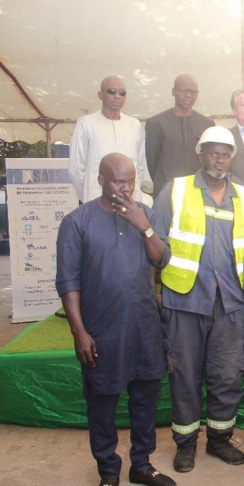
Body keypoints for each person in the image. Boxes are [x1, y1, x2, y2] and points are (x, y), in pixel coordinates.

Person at [56, 153, 174, 486]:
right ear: (101, 180)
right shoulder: (77, 221)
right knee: (102, 404)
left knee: (144, 399)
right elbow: (68, 282)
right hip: (101, 329)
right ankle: (108, 471)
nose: (125, 188)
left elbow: (162, 258)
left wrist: (143, 224)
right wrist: (79, 331)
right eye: (118, 181)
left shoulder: (144, 213)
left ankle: (141, 464)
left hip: (145, 327)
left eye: (130, 181)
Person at [154, 126, 244, 473]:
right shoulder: (175, 190)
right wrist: (155, 290)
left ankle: (219, 440)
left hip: (231, 303)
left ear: (232, 157)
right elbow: (155, 244)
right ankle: (186, 444)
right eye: (213, 151)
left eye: (225, 152)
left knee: (227, 376)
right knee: (185, 376)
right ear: (200, 154)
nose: (219, 158)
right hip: (185, 300)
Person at [69, 75, 149, 203]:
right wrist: (87, 197)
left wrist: (131, 191)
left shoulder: (134, 124)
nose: (117, 96)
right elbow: (76, 169)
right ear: (100, 95)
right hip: (96, 200)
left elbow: (139, 166)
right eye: (112, 91)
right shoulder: (86, 123)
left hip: (130, 202)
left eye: (122, 93)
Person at [145, 74, 215, 198]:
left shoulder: (207, 124)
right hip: (166, 192)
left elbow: (209, 161)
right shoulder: (156, 123)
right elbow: (152, 161)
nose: (188, 95)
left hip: (198, 191)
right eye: (184, 91)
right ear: (173, 92)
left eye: (192, 92)